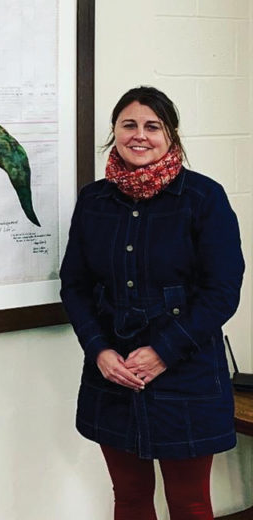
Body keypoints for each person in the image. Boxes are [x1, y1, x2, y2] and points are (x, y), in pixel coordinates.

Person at [60, 86, 244, 520]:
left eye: (152, 126)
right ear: (115, 133)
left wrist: (164, 351)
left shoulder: (204, 198)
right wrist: (99, 351)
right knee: (130, 498)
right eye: (129, 125)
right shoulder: (93, 201)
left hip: (188, 375)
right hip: (113, 374)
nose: (139, 135)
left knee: (191, 502)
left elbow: (223, 290)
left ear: (170, 136)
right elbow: (75, 285)